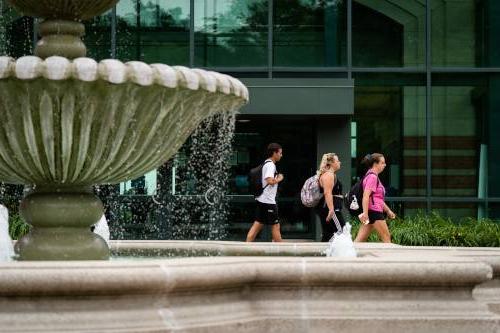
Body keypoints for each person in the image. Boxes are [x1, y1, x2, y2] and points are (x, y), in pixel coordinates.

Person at [246, 143, 284, 242]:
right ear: (274, 153)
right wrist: (279, 178)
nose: (281, 155)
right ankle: (284, 251)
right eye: (280, 153)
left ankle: (246, 247)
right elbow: (270, 181)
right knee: (275, 226)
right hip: (268, 202)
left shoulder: (266, 163)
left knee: (257, 225)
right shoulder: (271, 165)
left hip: (262, 200)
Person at [354, 153, 396, 243]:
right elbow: (366, 195)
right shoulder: (372, 177)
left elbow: (377, 198)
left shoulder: (372, 176)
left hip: (371, 212)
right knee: (386, 238)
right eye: (382, 163)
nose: (385, 165)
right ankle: (390, 257)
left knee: (359, 240)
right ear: (375, 164)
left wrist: (388, 211)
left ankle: (348, 255)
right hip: (374, 212)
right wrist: (365, 213)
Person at [315, 153, 345, 242]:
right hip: (331, 209)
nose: (340, 162)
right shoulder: (328, 175)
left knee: (327, 233)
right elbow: (327, 193)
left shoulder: (330, 174)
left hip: (328, 208)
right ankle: (329, 249)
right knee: (342, 231)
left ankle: (322, 253)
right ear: (331, 163)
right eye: (337, 160)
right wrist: (331, 210)